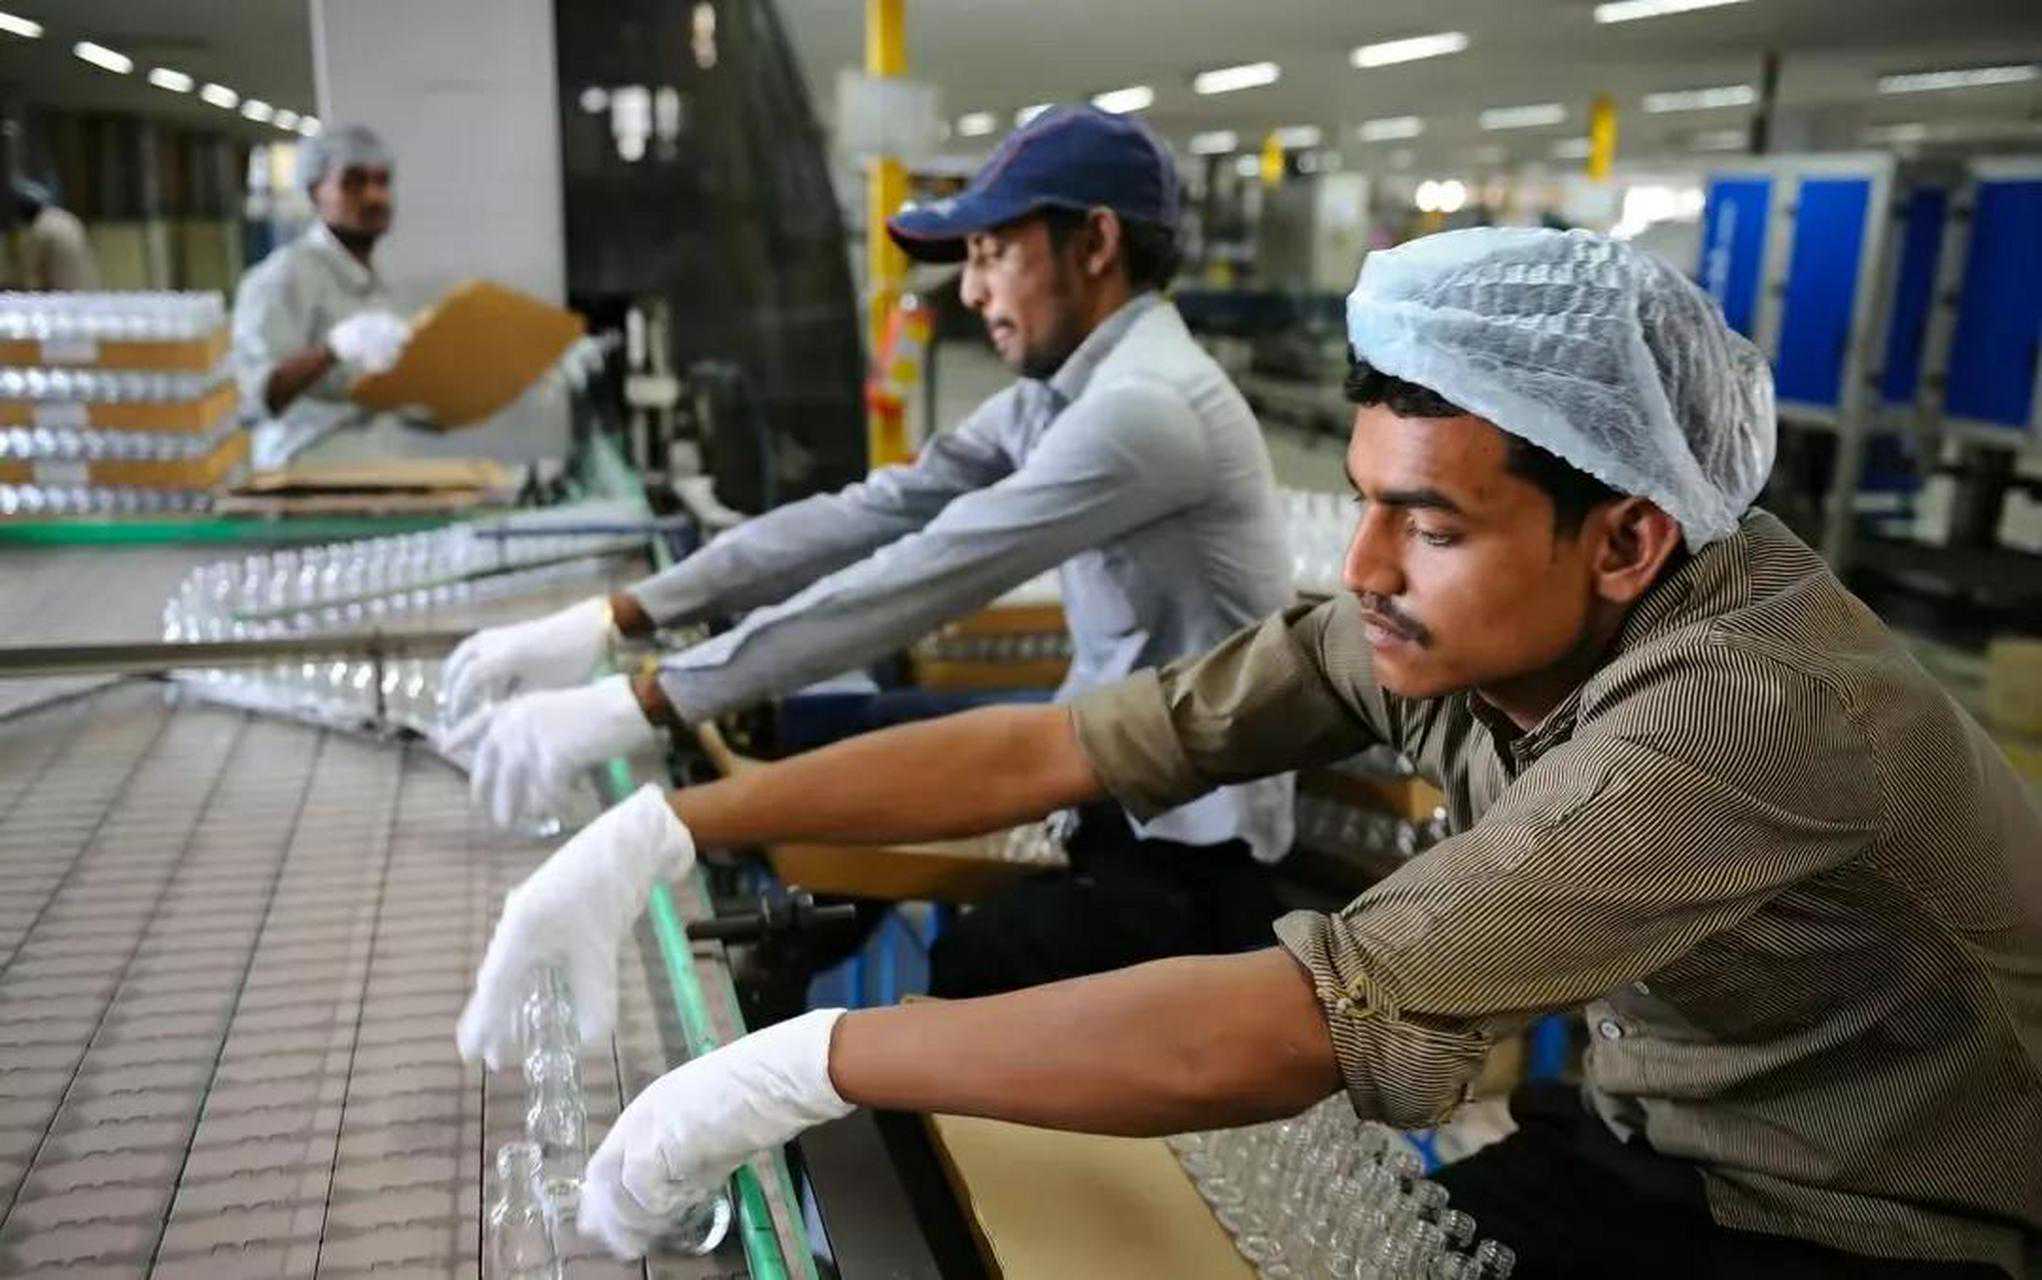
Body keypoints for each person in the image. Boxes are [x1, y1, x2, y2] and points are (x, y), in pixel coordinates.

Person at [460, 228, 2040, 1277]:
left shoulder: (1743, 714)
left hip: (1877, 1226)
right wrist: (670, 826)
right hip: (1661, 1139)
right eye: (1363, 501)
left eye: (1429, 524)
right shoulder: (1451, 624)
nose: (1363, 568)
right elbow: (1069, 748)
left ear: (1624, 538)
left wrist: (800, 1065)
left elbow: (1306, 1020)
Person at [441, 104, 1296, 997]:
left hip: (1187, 847)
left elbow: (922, 579)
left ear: (1095, 244)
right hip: (1100, 781)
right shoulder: (1062, 393)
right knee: (844, 735)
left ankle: (783, 1008)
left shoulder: (1146, 410)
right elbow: (870, 513)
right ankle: (771, 968)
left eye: (991, 254)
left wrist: (645, 701)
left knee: (971, 972)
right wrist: (618, 616)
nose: (972, 293)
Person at [231, 124, 416, 469]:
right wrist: (331, 351)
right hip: (302, 473)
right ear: (315, 191)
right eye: (354, 182)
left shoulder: (372, 281)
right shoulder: (283, 277)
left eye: (382, 181)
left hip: (371, 470)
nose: (374, 196)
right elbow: (251, 398)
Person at [12, 179, 98, 291]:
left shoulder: (40, 229)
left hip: (62, 295)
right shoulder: (67, 218)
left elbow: (30, 277)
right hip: (89, 291)